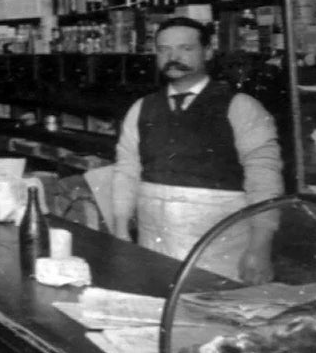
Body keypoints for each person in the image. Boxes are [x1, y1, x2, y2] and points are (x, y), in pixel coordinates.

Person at [111, 16, 284, 283]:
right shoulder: (141, 108)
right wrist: (121, 229)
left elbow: (264, 179)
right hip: (153, 243)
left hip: (221, 248)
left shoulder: (241, 106)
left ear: (208, 51)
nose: (173, 56)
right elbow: (127, 172)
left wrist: (260, 246)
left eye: (185, 48)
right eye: (164, 49)